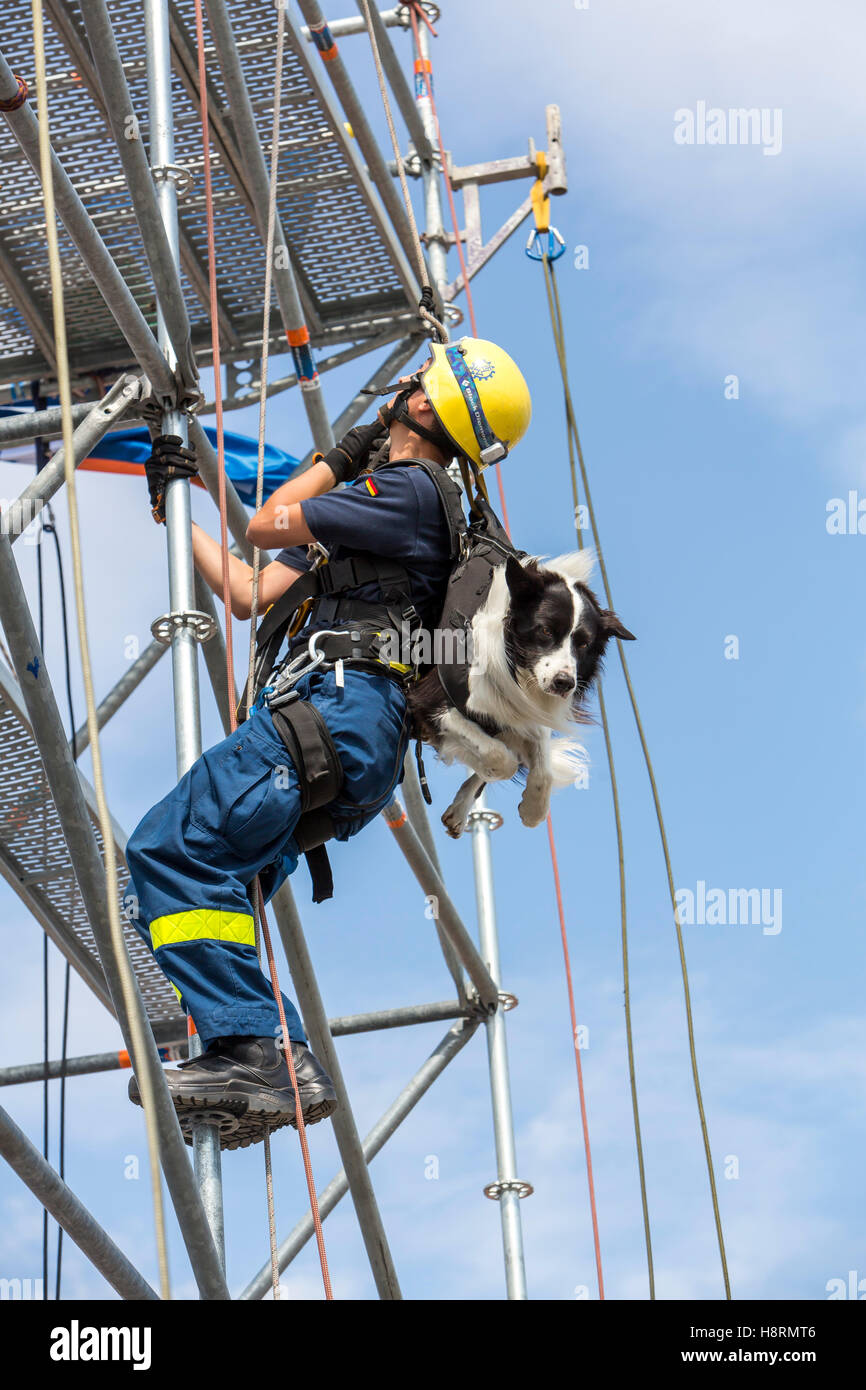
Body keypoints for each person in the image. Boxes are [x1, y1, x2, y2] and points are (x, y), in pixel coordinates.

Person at [124, 338, 531, 1149]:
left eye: (415, 383)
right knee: (218, 879)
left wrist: (337, 457)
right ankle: (259, 1061)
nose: (402, 390)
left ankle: (259, 1053)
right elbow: (246, 590)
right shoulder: (375, 530)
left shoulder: (407, 490)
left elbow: (267, 521)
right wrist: (176, 504)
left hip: (336, 709)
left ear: (424, 405)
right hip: (351, 737)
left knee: (172, 850)